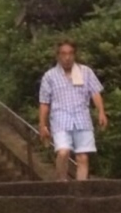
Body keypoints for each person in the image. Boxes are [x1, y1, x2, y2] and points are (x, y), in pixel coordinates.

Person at [38, 39, 107, 181]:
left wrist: (101, 112)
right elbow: (44, 102)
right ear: (58, 55)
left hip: (82, 118)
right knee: (63, 152)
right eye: (63, 54)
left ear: (75, 54)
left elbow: (95, 93)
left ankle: (80, 188)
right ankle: (61, 181)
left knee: (83, 157)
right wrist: (42, 124)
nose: (67, 57)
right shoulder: (50, 76)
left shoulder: (85, 72)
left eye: (70, 53)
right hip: (60, 119)